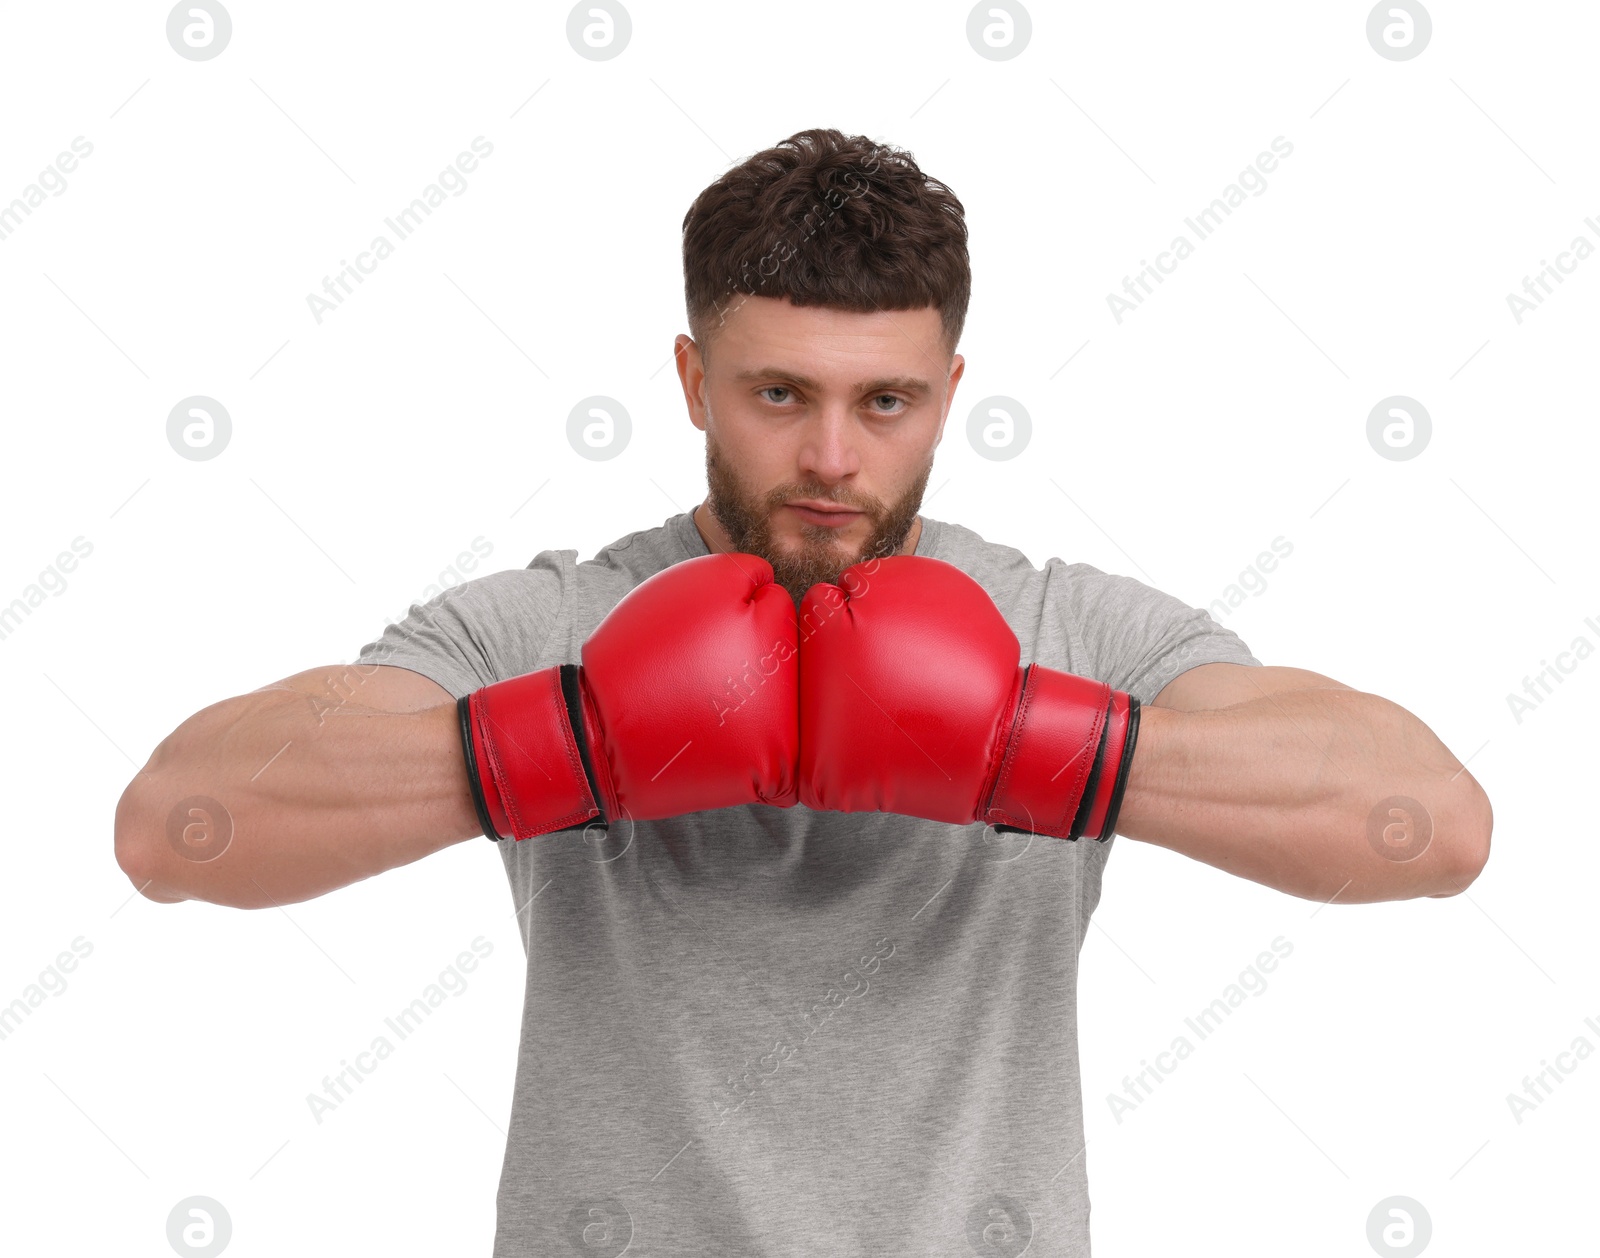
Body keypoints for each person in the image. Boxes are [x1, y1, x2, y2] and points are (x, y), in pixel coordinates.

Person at [113, 128, 1492, 1256]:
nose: (832, 456)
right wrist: (577, 736)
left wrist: (1038, 744)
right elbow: (175, 825)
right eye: (780, 392)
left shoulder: (1063, 626)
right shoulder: (560, 622)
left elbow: (1431, 824)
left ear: (951, 392)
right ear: (692, 380)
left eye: (885, 402)